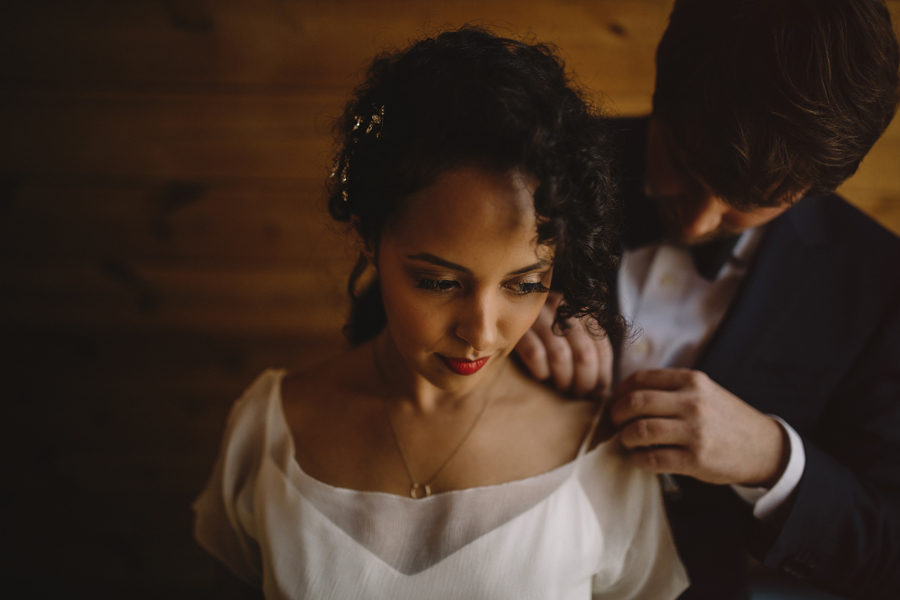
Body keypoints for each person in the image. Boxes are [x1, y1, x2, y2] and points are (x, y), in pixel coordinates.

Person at [192, 27, 689, 599]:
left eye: (523, 284)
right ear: (368, 239)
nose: (480, 331)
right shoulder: (269, 430)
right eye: (439, 281)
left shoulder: (600, 451)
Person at [515, 1, 900, 599]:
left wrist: (772, 460)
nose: (696, 222)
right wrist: (499, 312)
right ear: (662, 88)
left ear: (812, 188)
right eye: (686, 169)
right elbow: (377, 322)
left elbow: (888, 552)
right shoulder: (532, 166)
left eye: (748, 199)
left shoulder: (878, 283)